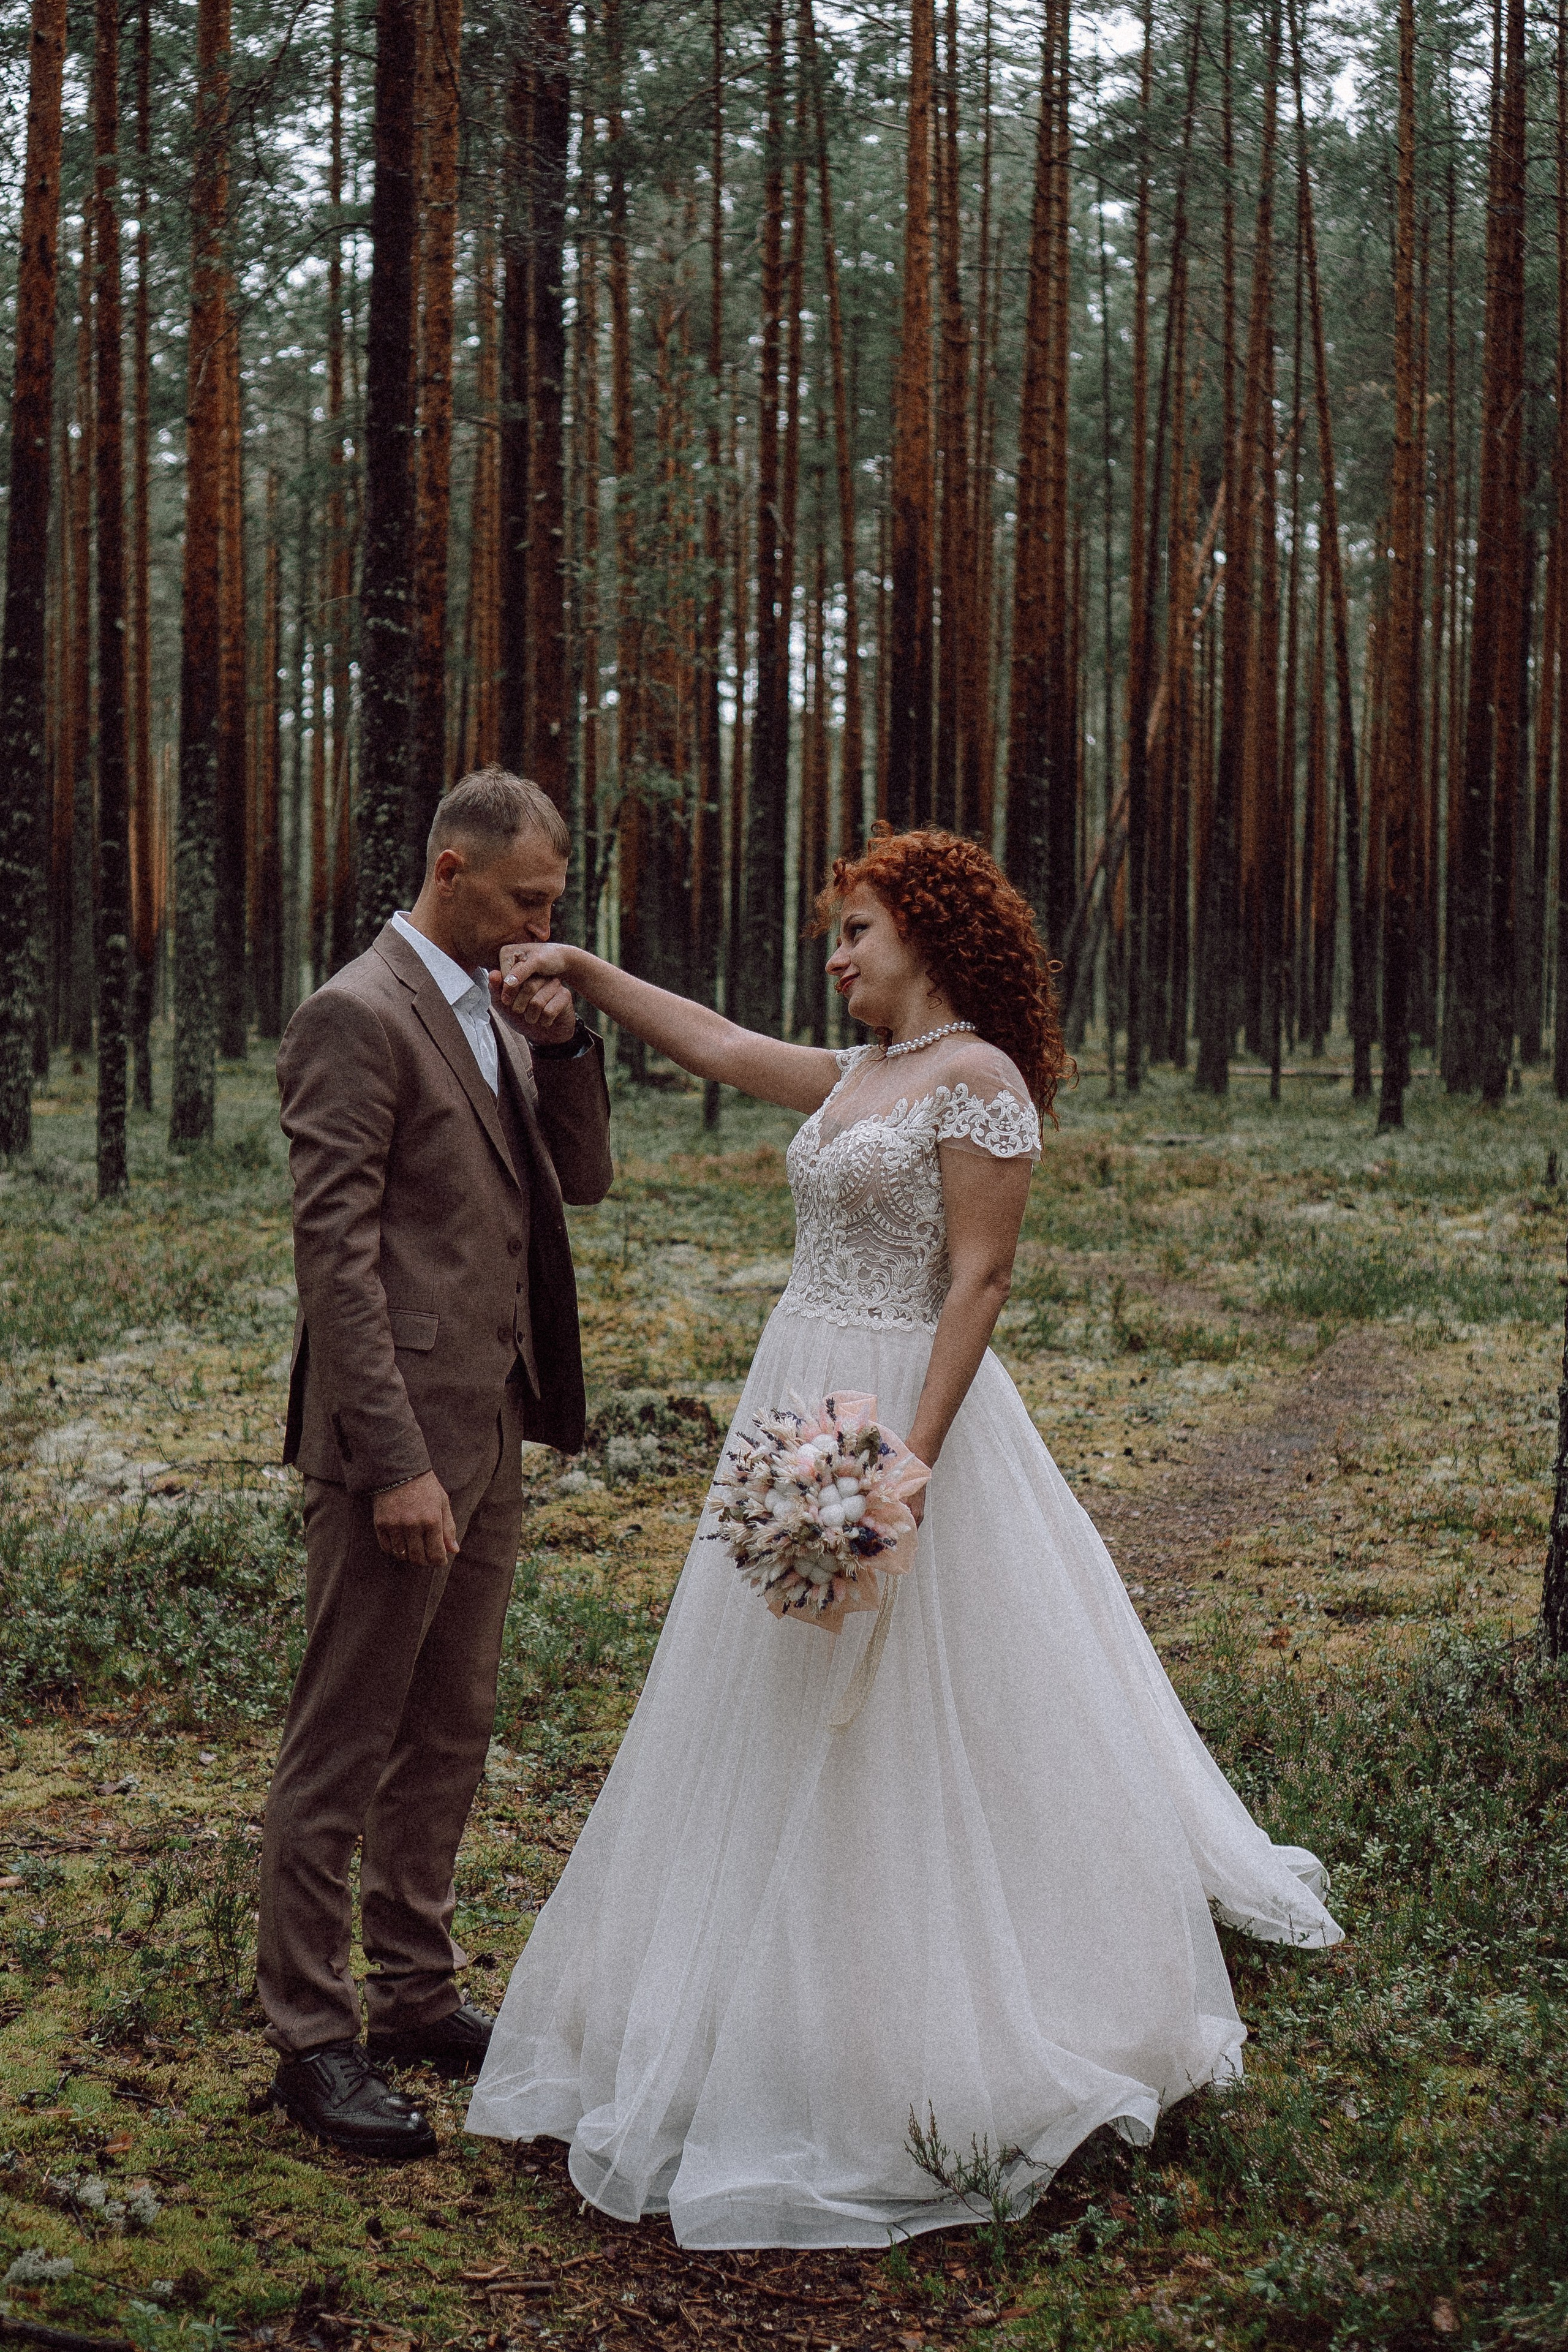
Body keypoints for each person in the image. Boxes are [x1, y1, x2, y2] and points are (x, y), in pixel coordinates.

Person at [465, 824, 1341, 2247]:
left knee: (926, 1707)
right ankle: (757, 1988)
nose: (834, 956)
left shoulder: (977, 1081)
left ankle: (929, 2006)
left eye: (855, 931)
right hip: (793, 1381)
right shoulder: (858, 1076)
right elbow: (717, 1044)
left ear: (925, 934)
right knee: (766, 1687)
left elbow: (981, 1281)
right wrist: (583, 970)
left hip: (903, 1409)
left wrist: (906, 1465)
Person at [259, 767, 614, 2160]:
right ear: (451, 871)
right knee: (341, 1742)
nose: (543, 924)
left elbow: (576, 1184)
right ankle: (308, 2038)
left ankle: (413, 1992)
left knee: (451, 1730)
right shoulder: (354, 1015)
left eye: (554, 903)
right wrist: (393, 1461)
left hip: (495, 1428)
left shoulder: (501, 1012)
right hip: (393, 1452)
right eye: (527, 899)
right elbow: (333, 1262)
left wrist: (567, 1042)